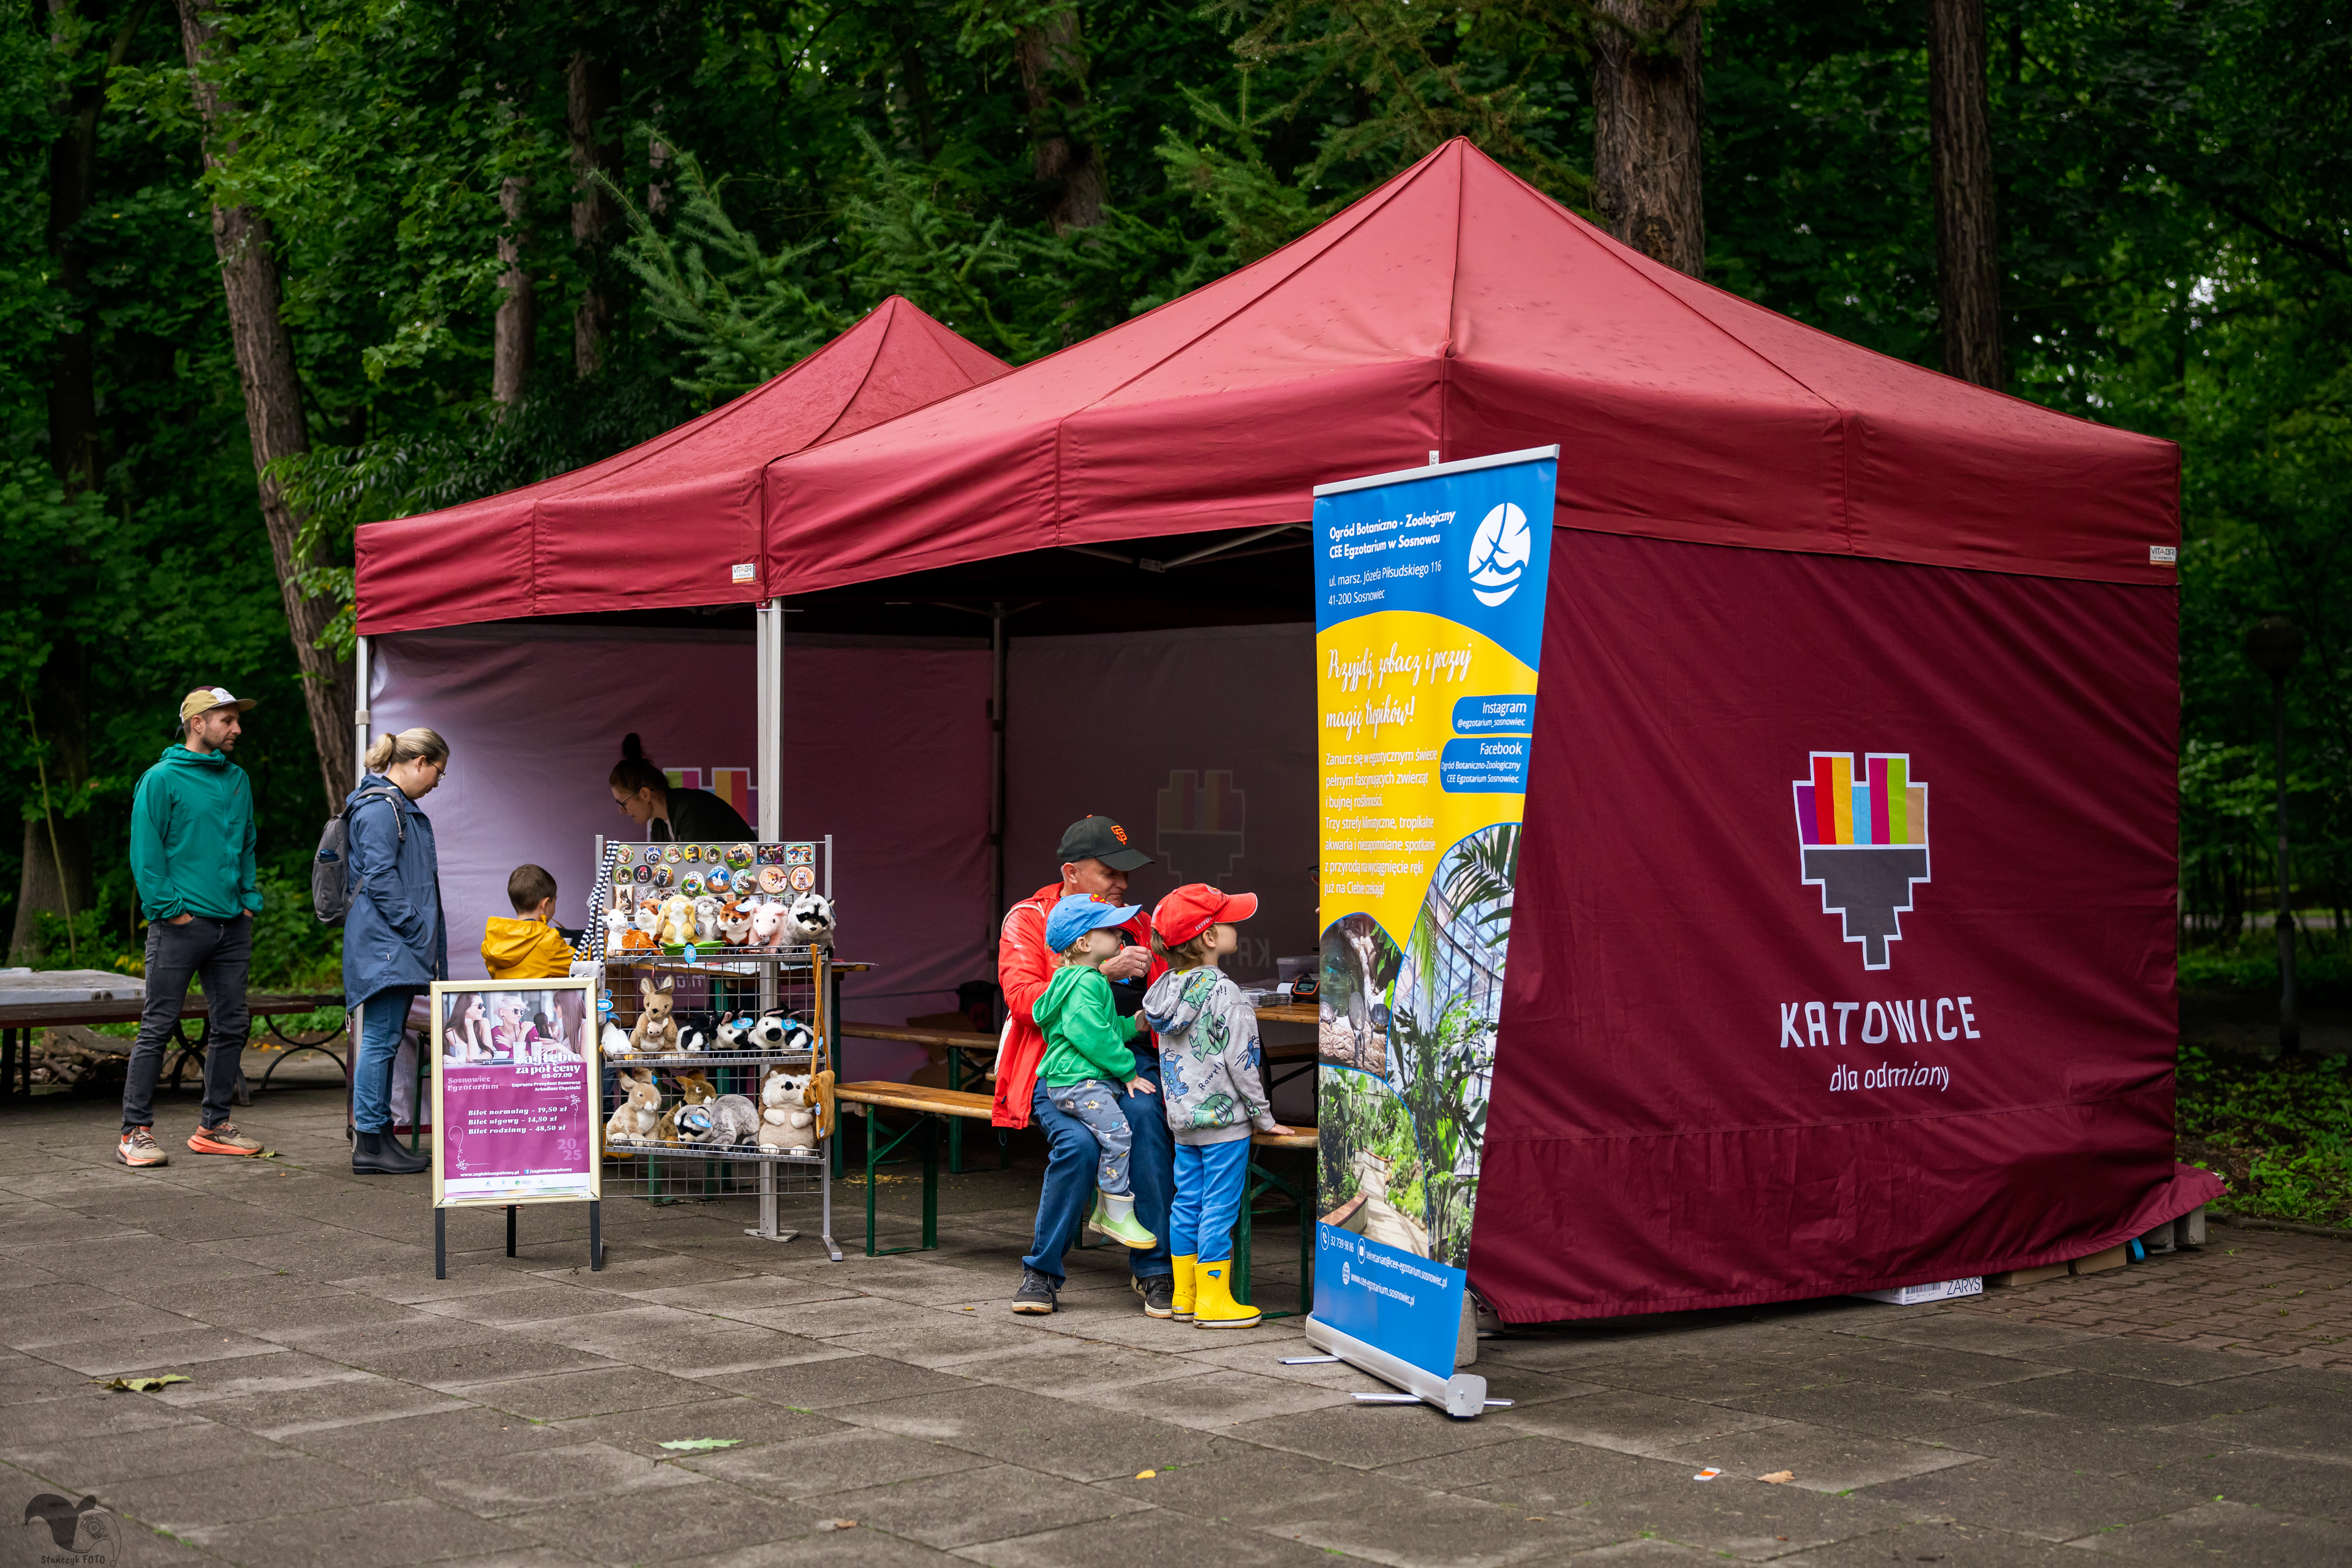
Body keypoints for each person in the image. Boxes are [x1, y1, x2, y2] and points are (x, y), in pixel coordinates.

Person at [997, 815, 1177, 1316]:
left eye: (1127, 874)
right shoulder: (1030, 918)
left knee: (1146, 1118)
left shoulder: (1137, 920)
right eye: (1109, 873)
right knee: (1076, 1145)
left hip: (1127, 1061)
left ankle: (1155, 1269)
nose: (1122, 884)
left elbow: (1161, 996)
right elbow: (1022, 1001)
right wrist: (1094, 972)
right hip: (1057, 1070)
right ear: (1071, 872)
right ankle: (1042, 1271)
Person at [116, 687, 270, 1167]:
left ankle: (213, 1126)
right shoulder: (161, 779)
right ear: (198, 724)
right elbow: (146, 852)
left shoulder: (237, 779)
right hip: (180, 926)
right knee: (158, 1026)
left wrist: (249, 900)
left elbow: (246, 843)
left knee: (232, 1025)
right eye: (228, 720)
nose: (237, 728)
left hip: (232, 927)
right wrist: (169, 910)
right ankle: (134, 1132)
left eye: (237, 720)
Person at [1145, 884, 1292, 1329]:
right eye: (1227, 920)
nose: (1235, 926)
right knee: (1220, 1207)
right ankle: (1214, 1301)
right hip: (1225, 1123)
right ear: (1208, 938)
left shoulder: (1165, 990)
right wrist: (1264, 1118)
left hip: (1184, 1120)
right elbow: (1245, 1064)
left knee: (1187, 1202)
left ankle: (1185, 1296)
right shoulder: (1227, 993)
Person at [344, 727, 450, 1176]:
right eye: (438, 773)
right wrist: (415, 926)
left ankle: (381, 1135)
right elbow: (381, 877)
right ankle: (370, 1142)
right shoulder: (382, 809)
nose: (437, 783)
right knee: (381, 1040)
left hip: (393, 945)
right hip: (390, 945)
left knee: (385, 1041)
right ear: (419, 762)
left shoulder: (390, 806)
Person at [1034, 895, 1161, 1254]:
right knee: (1119, 1133)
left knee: (1114, 1133)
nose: (1120, 934)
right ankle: (1114, 1209)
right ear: (1083, 943)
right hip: (1081, 1082)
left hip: (1071, 1080)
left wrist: (1134, 1023)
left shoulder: (1075, 978)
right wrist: (1128, 1071)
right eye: (1108, 929)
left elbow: (1101, 1027)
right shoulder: (1088, 983)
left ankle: (1112, 1207)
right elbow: (1093, 1036)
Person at [608, 733, 753, 842]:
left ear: (645, 794)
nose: (622, 811)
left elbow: (696, 875)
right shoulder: (659, 827)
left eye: (623, 803)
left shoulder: (691, 809)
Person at [483, 864, 574, 980]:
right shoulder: (549, 942)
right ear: (545, 904)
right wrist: (604, 936)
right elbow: (586, 964)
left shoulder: (493, 941)